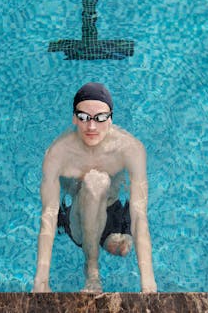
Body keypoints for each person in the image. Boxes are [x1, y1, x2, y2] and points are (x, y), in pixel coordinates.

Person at [32, 82, 157, 293]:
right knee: (95, 182)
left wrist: (148, 282)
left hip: (113, 210)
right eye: (83, 117)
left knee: (122, 248)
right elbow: (49, 214)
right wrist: (41, 279)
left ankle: (107, 239)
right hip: (78, 218)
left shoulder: (130, 149)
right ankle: (92, 270)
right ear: (74, 117)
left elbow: (139, 215)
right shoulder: (58, 153)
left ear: (111, 118)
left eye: (100, 118)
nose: (91, 127)